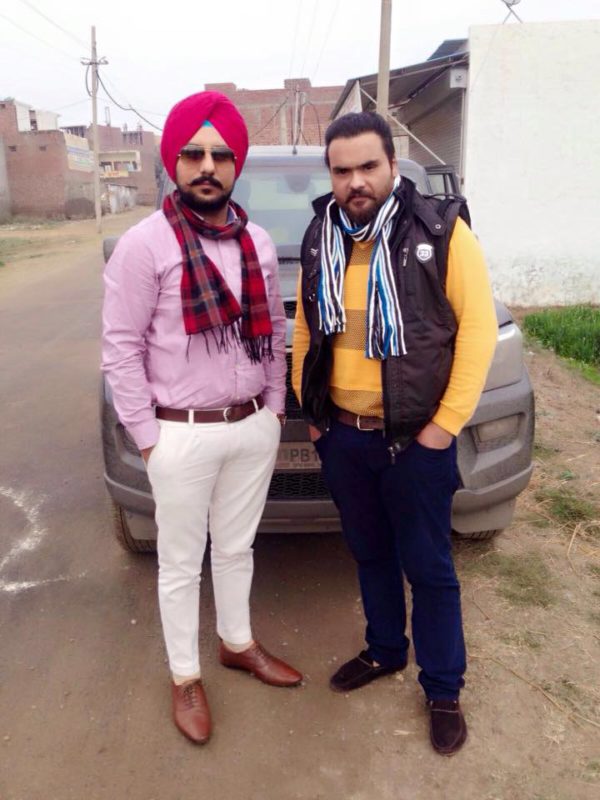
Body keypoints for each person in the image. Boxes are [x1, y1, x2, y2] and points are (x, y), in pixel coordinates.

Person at [292, 111, 497, 756]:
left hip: (415, 440)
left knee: (430, 569)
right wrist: (317, 418)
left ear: (393, 162)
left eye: (367, 166)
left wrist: (442, 430)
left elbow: (477, 331)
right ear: (331, 173)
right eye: (342, 169)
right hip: (346, 438)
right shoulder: (321, 234)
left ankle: (442, 687)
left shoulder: (441, 231)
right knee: (371, 553)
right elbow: (305, 331)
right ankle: (384, 650)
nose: (356, 181)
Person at [102, 91, 302, 746]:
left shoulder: (259, 242)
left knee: (238, 546)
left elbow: (272, 330)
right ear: (173, 163)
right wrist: (151, 442)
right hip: (179, 433)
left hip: (250, 425)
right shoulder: (143, 246)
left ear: (235, 163)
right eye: (193, 153)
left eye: (220, 154)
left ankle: (237, 643)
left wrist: (273, 407)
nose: (207, 166)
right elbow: (121, 351)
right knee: (182, 563)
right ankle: (185, 675)